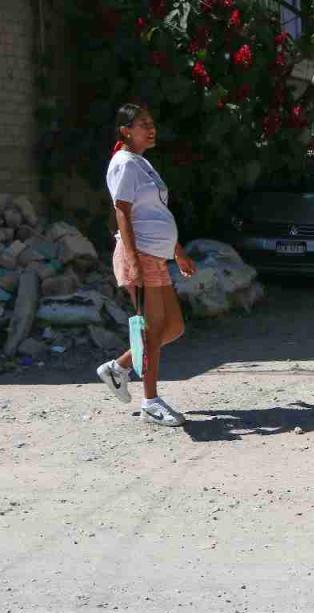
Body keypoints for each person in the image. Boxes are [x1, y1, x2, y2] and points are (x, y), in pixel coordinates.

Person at [95, 104, 196, 427]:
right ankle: (150, 402)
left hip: (157, 254)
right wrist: (134, 261)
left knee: (174, 327)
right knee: (151, 330)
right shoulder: (123, 164)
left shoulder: (142, 163)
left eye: (152, 123)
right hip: (139, 255)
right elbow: (122, 211)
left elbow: (156, 214)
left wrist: (177, 250)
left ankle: (119, 367)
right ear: (125, 130)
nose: (151, 129)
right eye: (142, 124)